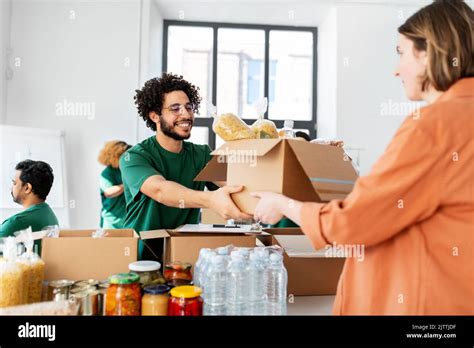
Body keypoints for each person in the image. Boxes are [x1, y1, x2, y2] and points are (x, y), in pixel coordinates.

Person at [251, 0, 474, 314]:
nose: (396, 68)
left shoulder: (435, 125)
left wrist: (283, 204)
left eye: (401, 52)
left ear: (428, 52)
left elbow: (353, 223)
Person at [120, 73, 251, 260]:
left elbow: (236, 186)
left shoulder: (202, 154)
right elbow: (160, 191)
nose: (186, 114)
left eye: (189, 107)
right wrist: (210, 200)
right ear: (155, 116)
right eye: (175, 109)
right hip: (141, 259)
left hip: (183, 256)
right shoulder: (134, 157)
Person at [0, 160, 59, 254]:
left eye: (14, 183)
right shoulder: (49, 215)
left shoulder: (15, 223)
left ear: (27, 188)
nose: (11, 188)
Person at [98, 140, 131, 229]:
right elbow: (108, 192)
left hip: (127, 220)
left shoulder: (128, 170)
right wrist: (127, 184)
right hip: (111, 221)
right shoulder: (107, 173)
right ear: (116, 156)